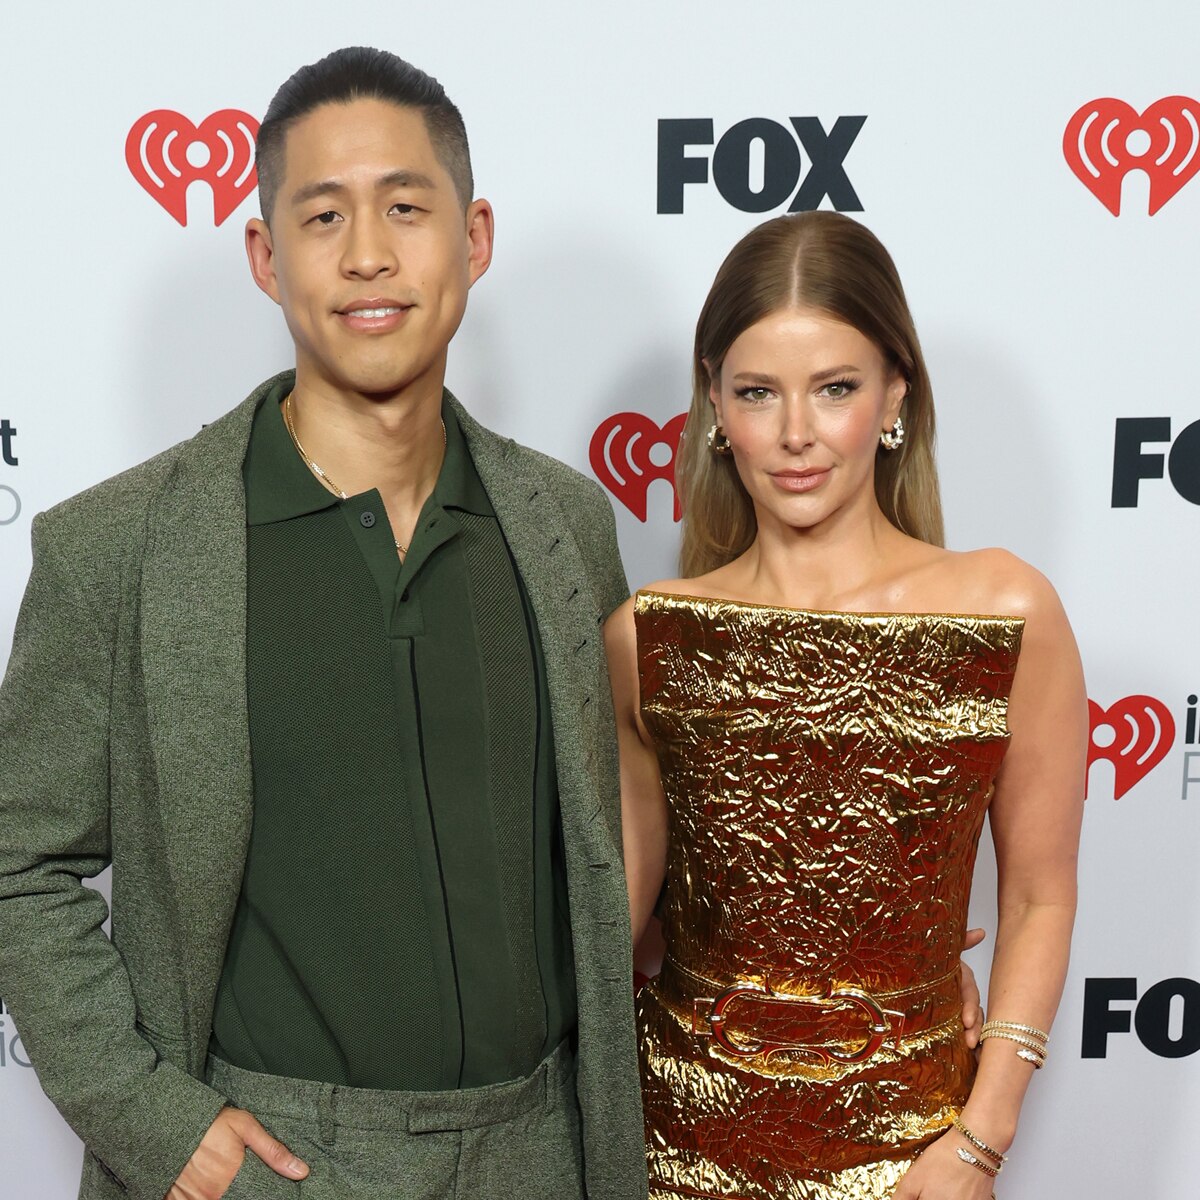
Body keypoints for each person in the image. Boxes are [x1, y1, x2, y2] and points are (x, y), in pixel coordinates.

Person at [0, 48, 647, 1200]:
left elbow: (632, 827)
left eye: (407, 206)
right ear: (265, 255)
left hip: (542, 1147)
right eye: (323, 215)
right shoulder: (119, 548)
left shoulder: (566, 526)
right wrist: (157, 1125)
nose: (368, 255)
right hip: (276, 1158)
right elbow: (16, 866)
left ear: (475, 237)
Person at [606, 211, 1087, 1199]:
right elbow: (623, 925)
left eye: (835, 389)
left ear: (895, 390)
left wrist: (979, 1142)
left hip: (916, 1154)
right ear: (712, 404)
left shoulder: (1005, 610)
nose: (795, 434)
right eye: (756, 393)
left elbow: (1040, 895)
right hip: (677, 1146)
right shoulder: (648, 636)